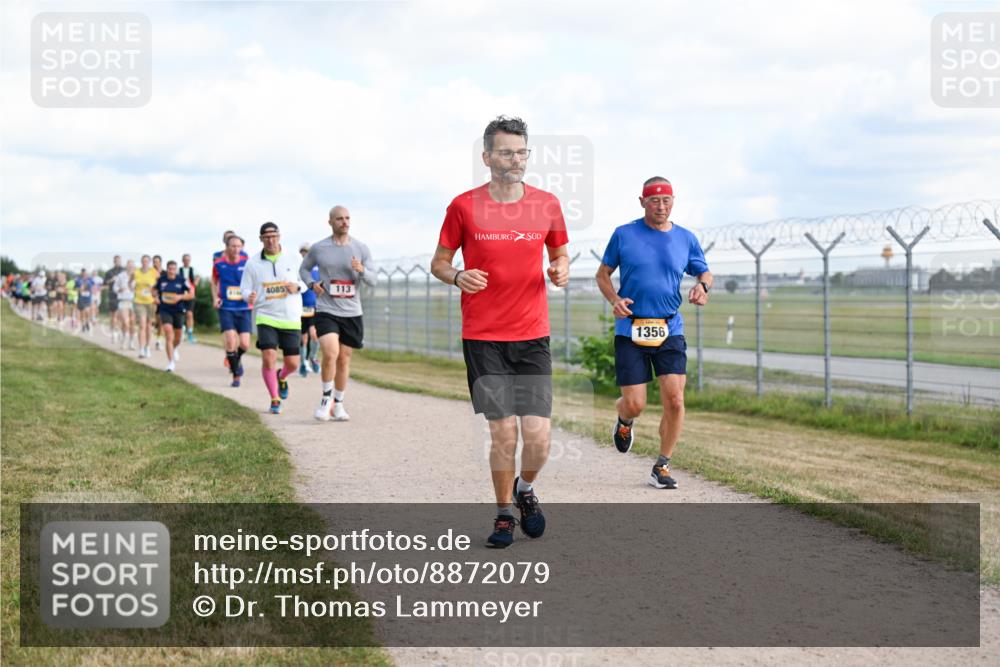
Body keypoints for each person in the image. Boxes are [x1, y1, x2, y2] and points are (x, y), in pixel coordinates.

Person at [430, 115, 569, 548]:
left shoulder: (546, 203)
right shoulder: (463, 206)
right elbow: (439, 262)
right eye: (506, 151)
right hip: (484, 337)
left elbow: (561, 253)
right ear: (487, 156)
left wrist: (560, 269)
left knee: (539, 438)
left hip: (532, 336)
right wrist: (456, 277)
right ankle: (503, 513)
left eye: (522, 151)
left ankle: (525, 489)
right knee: (503, 433)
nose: (515, 159)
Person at [595, 177, 713, 489]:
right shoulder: (624, 234)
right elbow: (603, 274)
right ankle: (624, 419)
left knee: (675, 400)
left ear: (673, 201)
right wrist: (614, 300)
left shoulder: (685, 238)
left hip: (670, 327)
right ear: (642, 202)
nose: (660, 206)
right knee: (635, 404)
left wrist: (702, 286)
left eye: (666, 200)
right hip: (631, 328)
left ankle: (661, 466)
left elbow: (704, 271)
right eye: (654, 201)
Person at [299, 207, 376, 421]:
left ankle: (338, 404)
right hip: (326, 309)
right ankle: (325, 400)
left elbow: (373, 279)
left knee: (344, 359)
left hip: (352, 311)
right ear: (330, 222)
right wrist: (312, 283)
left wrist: (361, 270)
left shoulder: (360, 248)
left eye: (347, 218)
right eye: (340, 219)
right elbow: (304, 270)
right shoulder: (319, 248)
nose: (345, 222)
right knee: (330, 353)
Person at [241, 222, 306, 414]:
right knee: (269, 357)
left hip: (291, 316)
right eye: (266, 236)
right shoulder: (253, 263)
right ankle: (275, 398)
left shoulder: (294, 258)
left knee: (293, 363)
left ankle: (282, 376)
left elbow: (307, 280)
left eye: (274, 236)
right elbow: (245, 287)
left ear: (279, 236)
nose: (271, 240)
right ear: (261, 239)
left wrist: (298, 287)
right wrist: (248, 296)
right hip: (265, 315)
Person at [212, 235, 252, 387]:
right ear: (226, 247)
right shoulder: (218, 263)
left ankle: (234, 358)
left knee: (245, 344)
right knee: (230, 339)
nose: (236, 249)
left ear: (242, 247)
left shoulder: (247, 262)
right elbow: (214, 282)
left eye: (238, 246)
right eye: (232, 246)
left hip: (243, 308)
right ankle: (236, 374)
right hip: (226, 307)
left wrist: (253, 294)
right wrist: (215, 297)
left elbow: (254, 280)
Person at [153, 260, 195, 372]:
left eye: (174, 269)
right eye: (170, 269)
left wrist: (180, 297)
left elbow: (191, 294)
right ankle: (171, 362)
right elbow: (154, 290)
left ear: (176, 270)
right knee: (168, 332)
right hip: (165, 310)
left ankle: (175, 348)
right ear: (167, 269)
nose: (172, 271)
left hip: (179, 310)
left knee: (178, 336)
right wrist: (156, 297)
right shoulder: (161, 280)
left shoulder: (182, 280)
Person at [297, 242, 322, 378]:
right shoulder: (298, 269)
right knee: (304, 337)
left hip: (314, 307)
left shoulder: (318, 269)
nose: (305, 254)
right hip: (300, 307)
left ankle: (313, 357)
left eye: (307, 252)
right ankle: (303, 362)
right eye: (303, 252)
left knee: (314, 335)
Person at [133, 255, 159, 358]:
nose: (145, 263)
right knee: (142, 325)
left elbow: (159, 283)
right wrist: (132, 288)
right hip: (139, 301)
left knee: (149, 326)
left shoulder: (153, 272)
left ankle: (147, 347)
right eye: (143, 261)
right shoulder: (136, 272)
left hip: (150, 302)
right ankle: (141, 349)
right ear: (141, 262)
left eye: (147, 261)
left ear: (149, 262)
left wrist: (155, 291)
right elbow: (131, 282)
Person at [113, 260, 137, 349]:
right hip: (123, 300)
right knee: (125, 321)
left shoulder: (137, 276)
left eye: (132, 266)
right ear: (126, 266)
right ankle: (124, 340)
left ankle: (131, 342)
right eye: (129, 266)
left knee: (133, 323)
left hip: (134, 301)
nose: (130, 267)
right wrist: (119, 290)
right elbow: (114, 287)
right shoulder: (121, 276)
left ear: (134, 267)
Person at [179, 253, 200, 343]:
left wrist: (195, 282)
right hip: (181, 295)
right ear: (182, 260)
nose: (187, 261)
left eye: (188, 259)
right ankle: (180, 331)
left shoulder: (193, 269)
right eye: (185, 259)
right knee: (180, 314)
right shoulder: (179, 270)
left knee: (189, 314)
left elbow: (198, 277)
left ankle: (190, 333)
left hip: (190, 295)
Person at [105, 256, 125, 343]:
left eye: (119, 260)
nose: (118, 262)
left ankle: (118, 330)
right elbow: (105, 283)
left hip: (123, 295)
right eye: (116, 260)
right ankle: (114, 332)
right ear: (114, 261)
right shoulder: (109, 272)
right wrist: (111, 280)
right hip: (112, 295)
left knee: (121, 315)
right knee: (114, 315)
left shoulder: (124, 271)